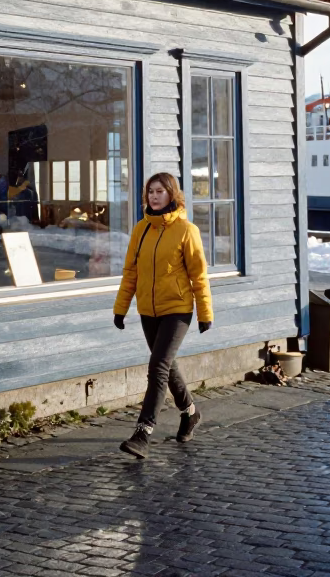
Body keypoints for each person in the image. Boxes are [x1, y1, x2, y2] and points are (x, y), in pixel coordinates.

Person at [113, 172, 213, 459]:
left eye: (160, 191)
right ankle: (191, 412)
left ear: (172, 194)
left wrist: (205, 312)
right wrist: (121, 308)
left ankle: (143, 432)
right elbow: (131, 272)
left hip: (178, 310)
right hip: (148, 310)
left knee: (157, 365)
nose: (154, 196)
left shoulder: (186, 230)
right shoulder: (140, 229)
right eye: (150, 192)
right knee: (167, 367)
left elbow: (199, 275)